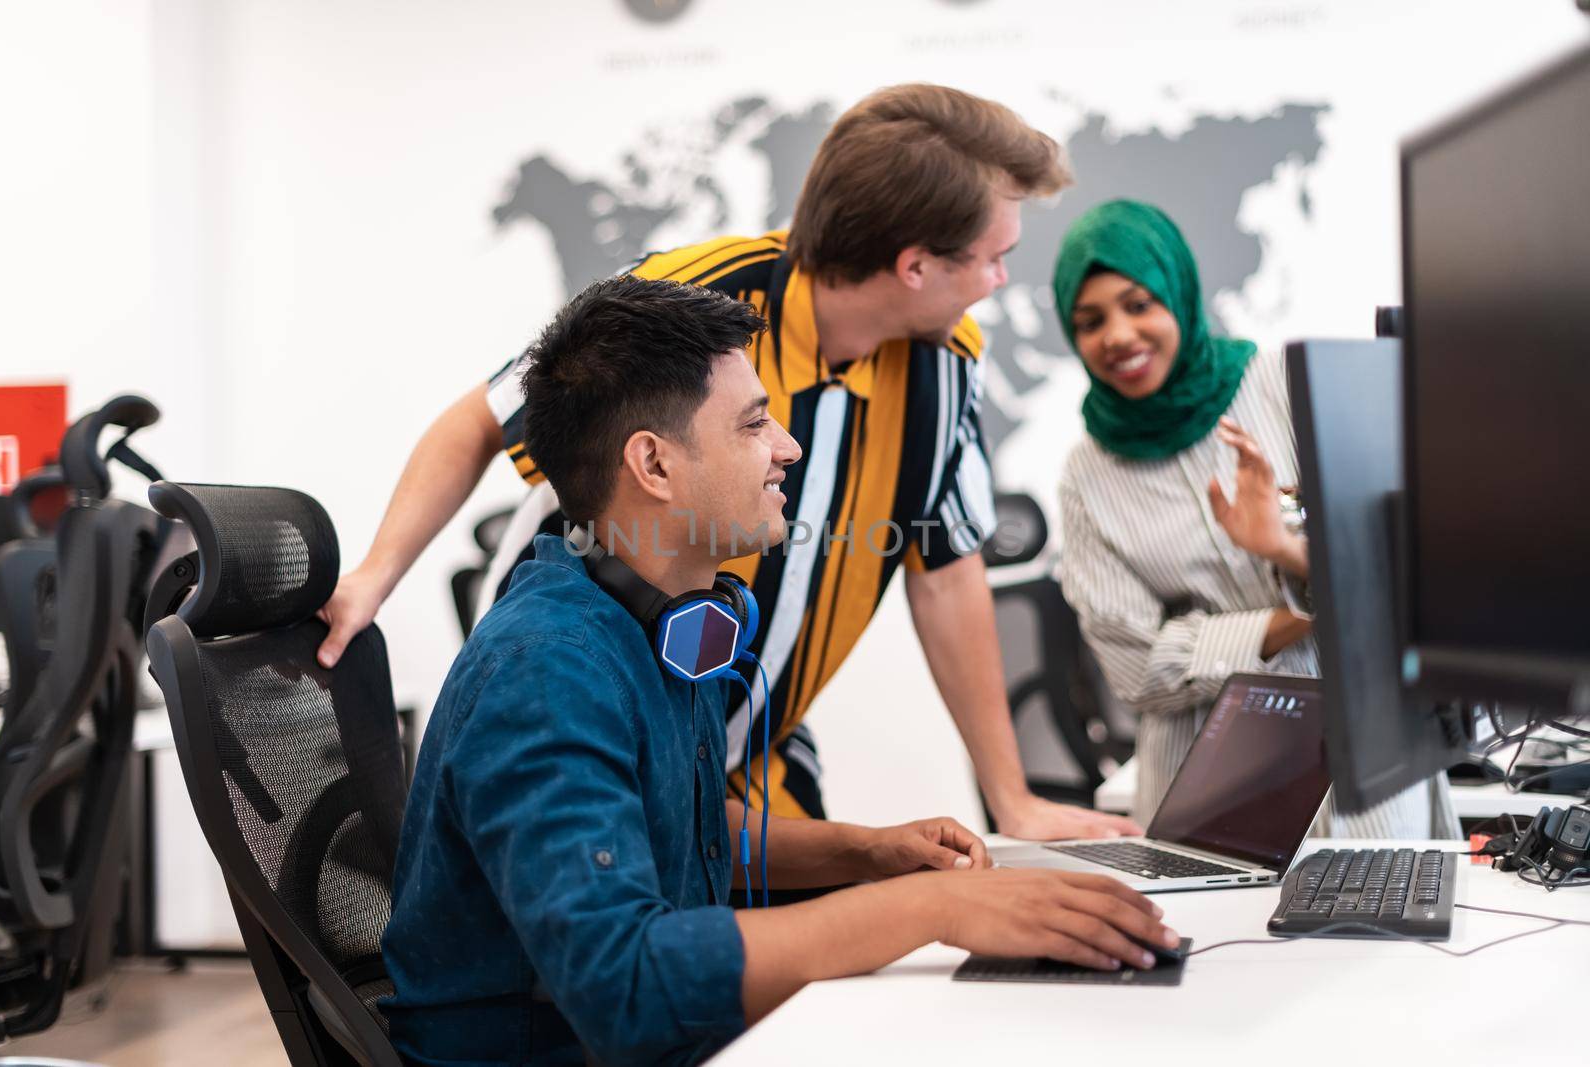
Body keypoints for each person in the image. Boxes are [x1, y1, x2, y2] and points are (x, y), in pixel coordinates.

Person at [379, 276, 1180, 1067]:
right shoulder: (548, 672)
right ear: (654, 464)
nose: (788, 447)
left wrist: (862, 852)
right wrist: (936, 906)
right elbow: (624, 986)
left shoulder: (652, 615)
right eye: (755, 423)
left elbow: (672, 819)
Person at [319, 83, 1142, 841]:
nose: (1001, 280)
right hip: (600, 739)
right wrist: (373, 577)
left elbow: (947, 568)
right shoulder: (691, 301)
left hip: (752, 756)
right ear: (915, 264)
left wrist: (1014, 800)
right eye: (994, 257)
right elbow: (482, 419)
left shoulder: (947, 359)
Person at [1050, 199, 1456, 834]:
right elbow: (1138, 672)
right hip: (1207, 784)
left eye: (1139, 304)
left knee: (1383, 924)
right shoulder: (1087, 474)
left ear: (1178, 295)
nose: (1118, 336)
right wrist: (1299, 610)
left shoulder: (1285, 386)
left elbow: (1397, 565)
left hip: (1358, 758)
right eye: (1090, 320)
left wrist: (1288, 554)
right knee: (1207, 933)